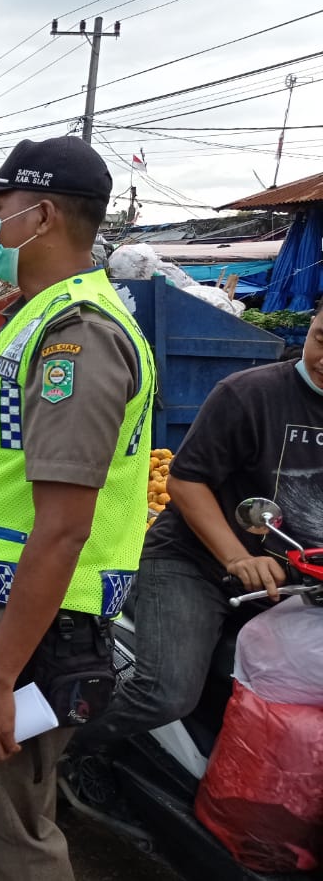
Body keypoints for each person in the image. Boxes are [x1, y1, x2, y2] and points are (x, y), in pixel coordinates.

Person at [0, 136, 156, 881]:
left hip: (31, 627)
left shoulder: (76, 336)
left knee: (7, 835)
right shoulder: (36, 315)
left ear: (43, 215)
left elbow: (62, 528)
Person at [75, 311, 323, 750]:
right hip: (194, 565)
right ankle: (59, 752)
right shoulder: (251, 394)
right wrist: (238, 557)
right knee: (164, 693)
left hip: (295, 585)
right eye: (321, 339)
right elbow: (185, 481)